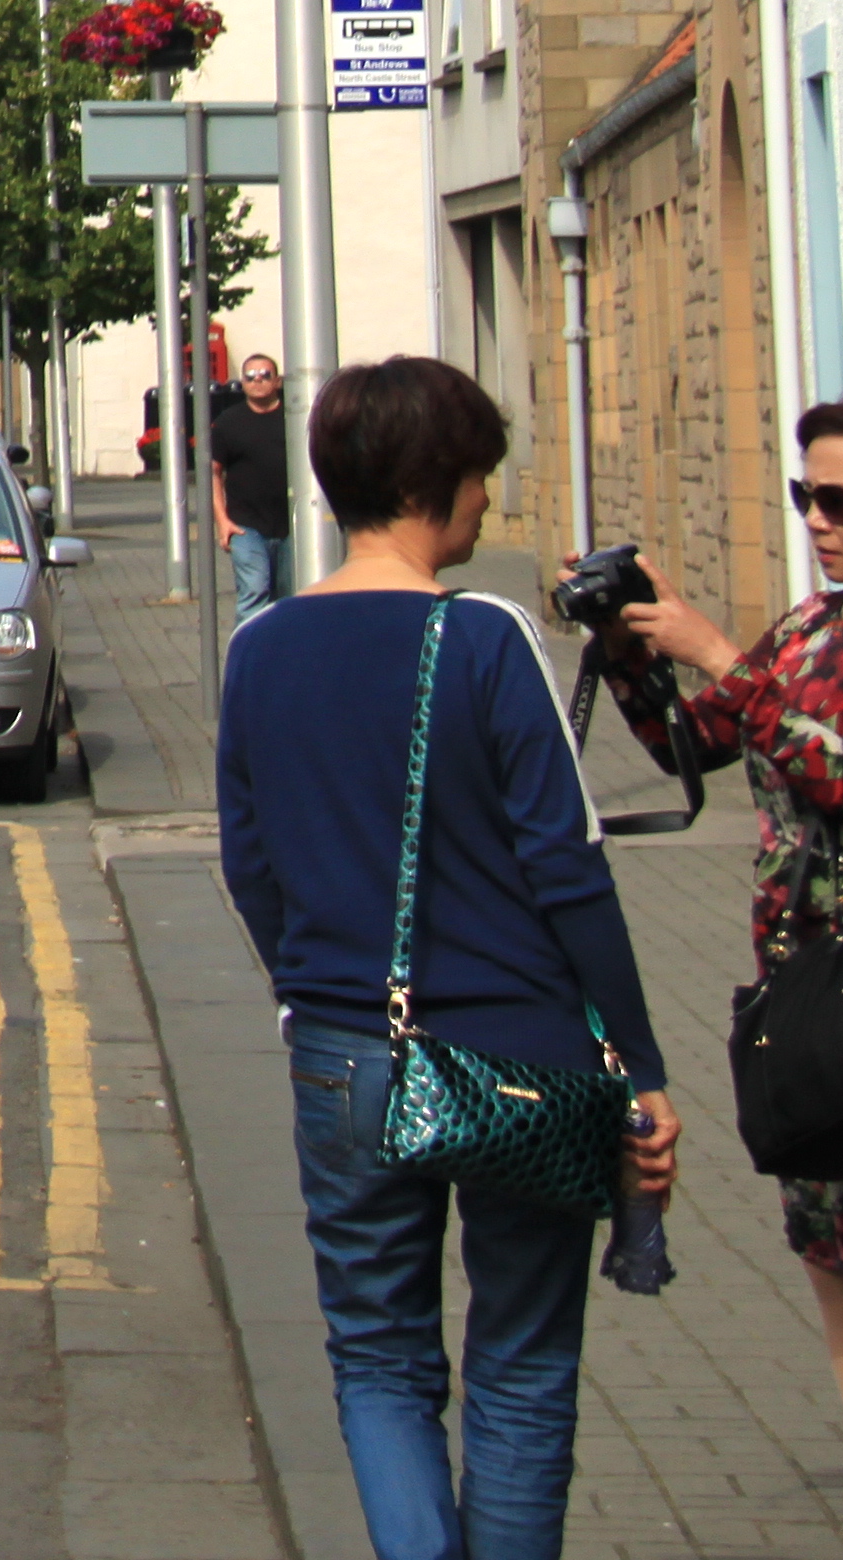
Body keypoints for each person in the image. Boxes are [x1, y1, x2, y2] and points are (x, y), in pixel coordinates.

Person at [220, 355, 678, 1560]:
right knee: (521, 1366)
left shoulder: (257, 648)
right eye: (481, 474)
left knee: (377, 1360)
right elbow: (568, 869)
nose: (489, 500)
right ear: (442, 481)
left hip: (339, 1053)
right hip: (520, 1051)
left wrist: (314, 995)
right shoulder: (482, 637)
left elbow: (249, 865)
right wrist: (639, 1063)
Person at [585, 386, 843, 1559]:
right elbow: (702, 745)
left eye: (840, 501)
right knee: (842, 1258)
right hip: (813, 1000)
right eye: (803, 497)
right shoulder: (814, 629)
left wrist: (722, 652)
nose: (818, 523)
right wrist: (633, 651)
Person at [214, 354, 297, 619]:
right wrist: (222, 521)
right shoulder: (229, 422)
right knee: (255, 589)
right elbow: (213, 473)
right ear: (242, 382)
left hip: (290, 524)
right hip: (245, 525)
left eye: (265, 375)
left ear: (277, 381)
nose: (257, 380)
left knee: (288, 595)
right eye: (250, 376)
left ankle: (281, 656)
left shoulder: (293, 418)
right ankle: (247, 656)